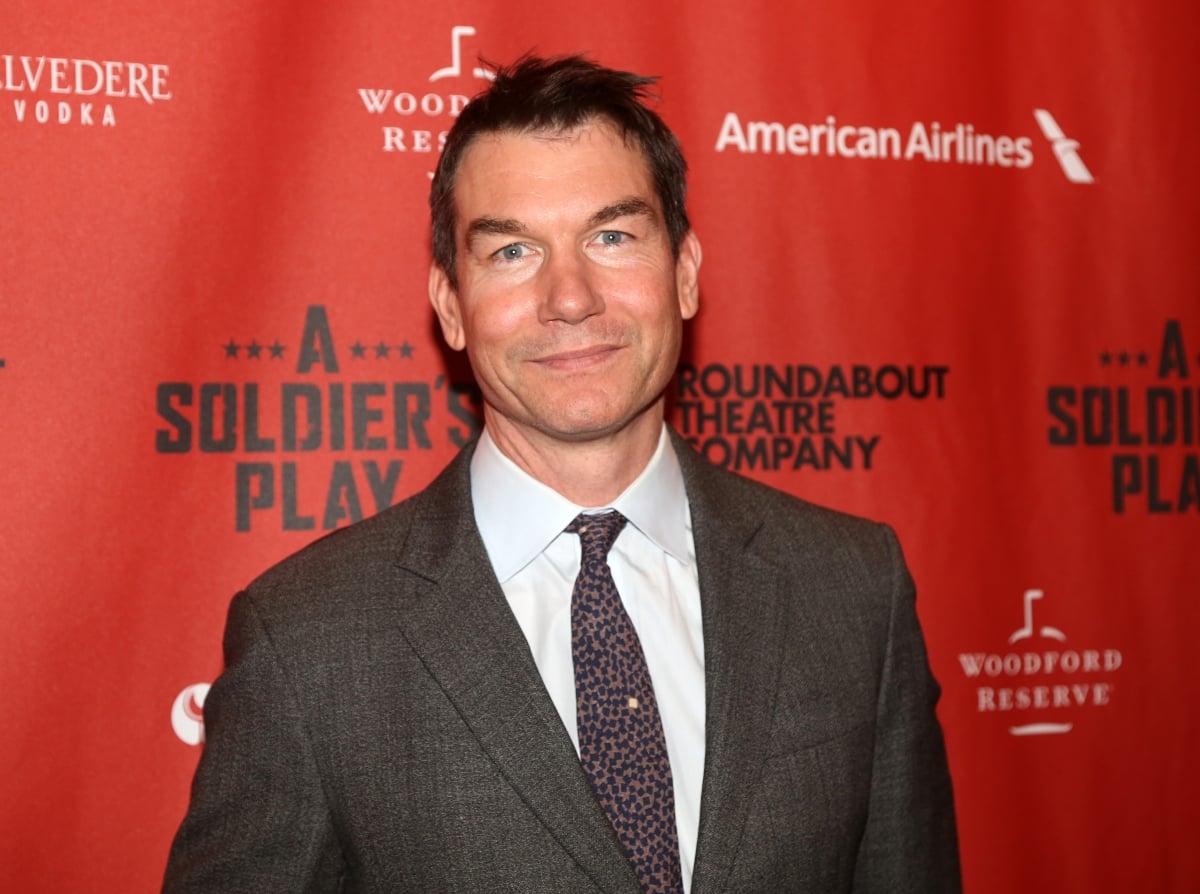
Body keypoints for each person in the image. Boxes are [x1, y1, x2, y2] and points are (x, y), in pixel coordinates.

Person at [163, 54, 960, 893]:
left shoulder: (852, 588)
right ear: (451, 307)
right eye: (512, 251)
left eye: (612, 237)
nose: (571, 297)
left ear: (685, 274)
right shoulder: (308, 640)